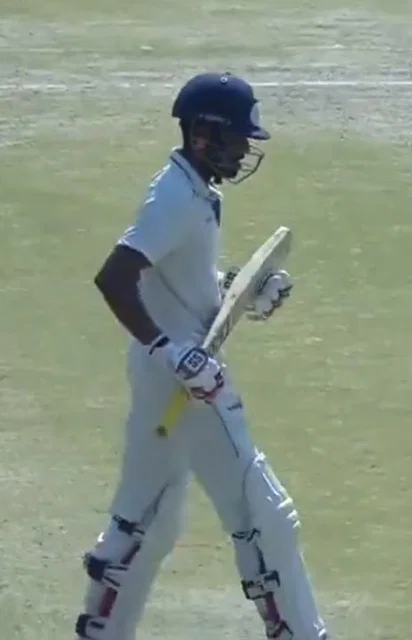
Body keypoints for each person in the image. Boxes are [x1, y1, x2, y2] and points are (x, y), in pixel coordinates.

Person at [77, 71, 329, 640]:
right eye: (239, 138)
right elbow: (115, 277)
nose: (244, 150)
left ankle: (101, 630)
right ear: (203, 135)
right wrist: (174, 353)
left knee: (144, 522)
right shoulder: (173, 197)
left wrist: (240, 289)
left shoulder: (193, 191)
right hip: (190, 387)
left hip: (166, 375)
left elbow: (180, 284)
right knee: (267, 519)